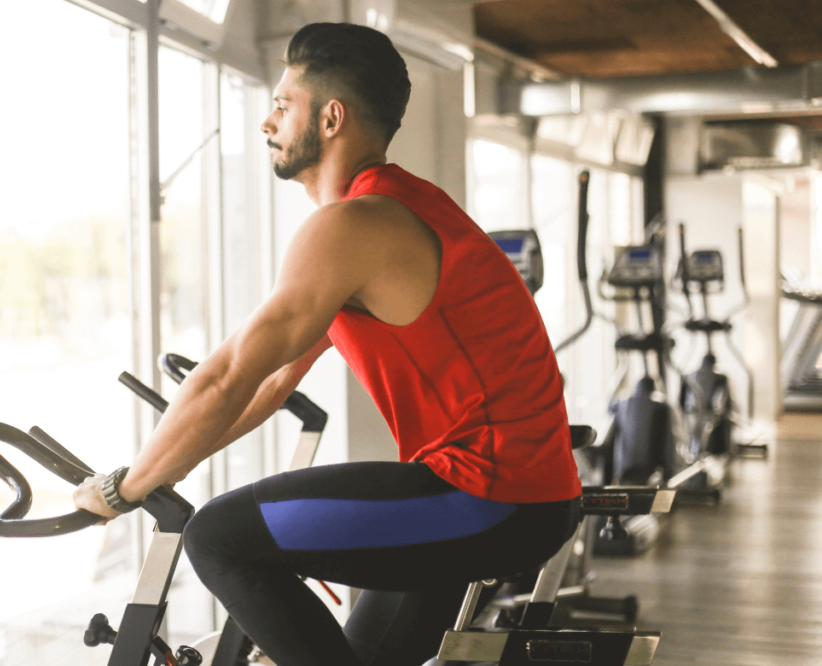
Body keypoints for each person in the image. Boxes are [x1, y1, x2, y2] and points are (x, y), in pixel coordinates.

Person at [74, 22, 581, 666]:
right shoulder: (397, 207)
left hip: (485, 495)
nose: (268, 123)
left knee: (218, 539)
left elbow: (227, 376)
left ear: (332, 117)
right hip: (521, 497)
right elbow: (267, 381)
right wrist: (163, 470)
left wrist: (124, 489)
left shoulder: (354, 226)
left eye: (284, 105)